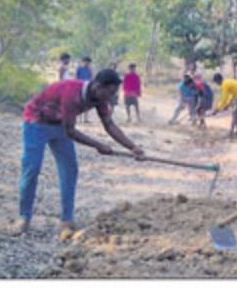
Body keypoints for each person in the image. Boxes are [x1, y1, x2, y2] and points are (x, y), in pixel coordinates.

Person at [14, 69, 145, 236]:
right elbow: (71, 131)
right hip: (36, 122)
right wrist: (98, 145)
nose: (111, 97)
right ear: (98, 86)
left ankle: (67, 219)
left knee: (70, 169)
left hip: (59, 124)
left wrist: (133, 147)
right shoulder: (71, 93)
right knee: (32, 168)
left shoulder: (100, 99)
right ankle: (24, 217)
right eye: (110, 92)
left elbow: (109, 125)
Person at [211, 73, 237, 138]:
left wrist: (217, 109)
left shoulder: (224, 84)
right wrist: (228, 105)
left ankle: (231, 133)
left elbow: (224, 98)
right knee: (236, 114)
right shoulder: (227, 82)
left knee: (234, 114)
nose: (216, 84)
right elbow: (233, 94)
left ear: (218, 80)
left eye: (216, 82)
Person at [76, 57, 94, 123]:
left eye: (88, 62)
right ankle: (77, 118)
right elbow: (76, 77)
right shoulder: (79, 69)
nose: (87, 63)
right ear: (83, 61)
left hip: (87, 87)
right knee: (78, 102)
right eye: (85, 61)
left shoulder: (89, 70)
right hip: (80, 87)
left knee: (86, 103)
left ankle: (85, 119)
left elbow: (91, 78)